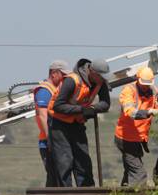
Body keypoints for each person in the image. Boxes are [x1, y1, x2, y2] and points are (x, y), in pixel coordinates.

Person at [48, 58, 111, 187]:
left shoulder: (100, 82)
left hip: (77, 123)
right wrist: (82, 110)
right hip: (59, 125)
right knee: (65, 162)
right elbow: (58, 106)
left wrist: (92, 109)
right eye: (101, 76)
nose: (103, 79)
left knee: (83, 161)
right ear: (92, 72)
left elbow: (105, 104)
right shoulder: (72, 80)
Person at [114, 67, 158, 186]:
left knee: (130, 170)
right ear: (137, 79)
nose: (145, 86)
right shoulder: (129, 90)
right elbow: (130, 111)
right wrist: (148, 112)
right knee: (139, 173)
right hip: (125, 138)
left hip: (138, 138)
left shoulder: (153, 92)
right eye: (143, 84)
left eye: (147, 84)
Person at [33, 60, 71, 188]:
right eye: (63, 75)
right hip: (48, 140)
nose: (65, 79)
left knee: (57, 175)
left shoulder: (54, 89)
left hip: (54, 139)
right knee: (54, 175)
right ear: (54, 73)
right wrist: (50, 138)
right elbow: (43, 115)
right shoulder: (44, 91)